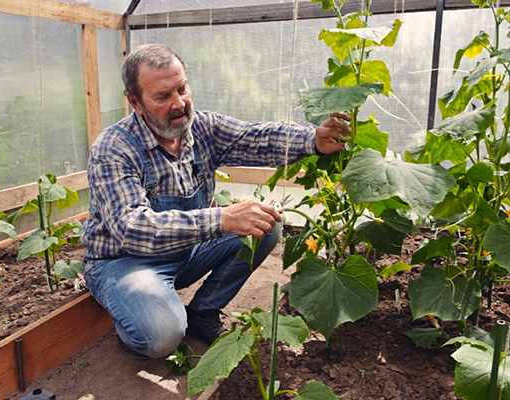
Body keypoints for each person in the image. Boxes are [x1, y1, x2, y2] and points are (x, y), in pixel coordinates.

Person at [81, 44, 350, 360]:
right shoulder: (114, 148)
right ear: (135, 102)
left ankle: (203, 312)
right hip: (125, 263)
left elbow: (256, 137)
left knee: (265, 224)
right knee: (162, 336)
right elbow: (131, 228)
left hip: (183, 249)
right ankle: (137, 329)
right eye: (163, 96)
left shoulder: (202, 128)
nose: (179, 103)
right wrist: (221, 218)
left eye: (182, 89)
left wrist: (312, 140)